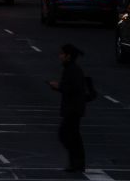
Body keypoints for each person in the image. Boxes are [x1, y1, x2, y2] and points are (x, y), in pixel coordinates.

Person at [47, 43, 87, 173]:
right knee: (72, 135)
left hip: (73, 109)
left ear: (68, 56)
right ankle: (76, 163)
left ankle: (77, 162)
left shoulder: (72, 70)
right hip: (73, 108)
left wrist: (57, 86)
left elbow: (71, 89)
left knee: (66, 135)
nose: (60, 56)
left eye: (62, 54)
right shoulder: (71, 69)